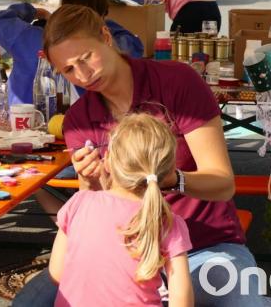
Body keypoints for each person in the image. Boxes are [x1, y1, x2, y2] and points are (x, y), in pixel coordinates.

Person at [13, 5, 262, 306]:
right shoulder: (80, 119)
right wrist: (89, 182)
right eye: (68, 70)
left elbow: (223, 184)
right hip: (121, 249)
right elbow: (93, 208)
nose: (83, 75)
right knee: (29, 303)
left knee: (238, 300)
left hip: (203, 243)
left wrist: (173, 180)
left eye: (85, 58)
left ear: (105, 37)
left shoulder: (177, 83)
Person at [49, 113, 193, 307]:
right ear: (167, 173)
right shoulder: (167, 222)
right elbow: (181, 298)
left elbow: (57, 272)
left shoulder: (79, 202)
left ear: (107, 160)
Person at [0, 0, 144, 106]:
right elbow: (135, 46)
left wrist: (35, 12)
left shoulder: (28, 36)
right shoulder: (105, 44)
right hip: (76, 125)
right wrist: (100, 21)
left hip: (20, 123)